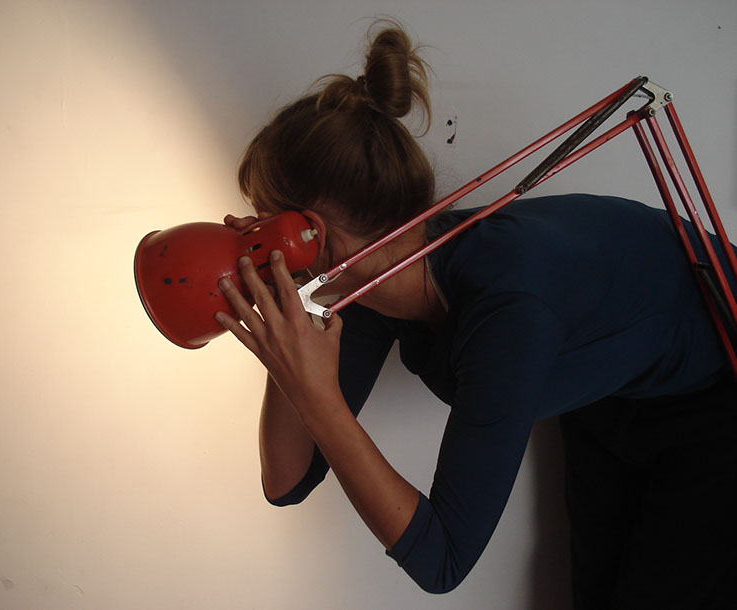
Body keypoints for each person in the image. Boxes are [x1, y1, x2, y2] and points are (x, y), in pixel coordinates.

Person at [213, 20, 737, 607]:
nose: (251, 245)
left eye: (262, 228)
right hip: (614, 389)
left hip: (719, 390)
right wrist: (285, 340)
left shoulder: (507, 312)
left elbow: (444, 559)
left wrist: (317, 396)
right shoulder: (375, 276)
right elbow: (287, 480)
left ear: (314, 233)